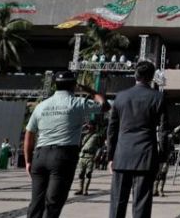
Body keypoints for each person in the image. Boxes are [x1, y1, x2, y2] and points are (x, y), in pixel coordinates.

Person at [25, 70, 107, 218]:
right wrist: (89, 90)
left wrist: (28, 161)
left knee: (36, 203)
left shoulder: (41, 106)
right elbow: (104, 105)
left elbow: (29, 134)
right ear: (74, 85)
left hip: (40, 156)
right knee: (53, 203)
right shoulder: (78, 103)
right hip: (62, 156)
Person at [108, 61, 165, 218]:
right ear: (152, 77)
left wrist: (110, 156)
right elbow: (163, 131)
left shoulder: (121, 96)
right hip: (146, 155)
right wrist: (162, 157)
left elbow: (112, 129)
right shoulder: (158, 97)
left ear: (135, 75)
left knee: (117, 202)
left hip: (122, 154)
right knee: (142, 203)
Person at [75, 122, 102, 196]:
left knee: (88, 174)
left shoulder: (96, 136)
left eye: (90, 125)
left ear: (93, 127)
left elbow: (100, 147)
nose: (88, 127)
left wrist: (97, 155)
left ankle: (85, 190)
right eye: (88, 125)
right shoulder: (84, 134)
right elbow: (77, 133)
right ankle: (80, 189)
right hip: (82, 156)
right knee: (80, 173)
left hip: (90, 157)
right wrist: (83, 127)